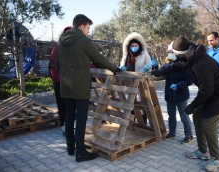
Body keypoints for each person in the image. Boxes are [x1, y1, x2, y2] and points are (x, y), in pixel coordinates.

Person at [151, 36, 219, 172]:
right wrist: (159, 72)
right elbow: (176, 66)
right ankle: (203, 152)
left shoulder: (200, 64)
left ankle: (215, 159)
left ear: (181, 53)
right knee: (197, 117)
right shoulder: (190, 57)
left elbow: (206, 90)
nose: (174, 56)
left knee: (208, 125)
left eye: (175, 53)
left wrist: (192, 105)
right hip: (212, 93)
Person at [56, 14, 122, 162]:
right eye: (88, 28)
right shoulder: (84, 41)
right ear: (81, 26)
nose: (88, 31)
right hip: (80, 86)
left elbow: (58, 66)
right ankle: (81, 152)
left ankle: (70, 147)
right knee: (80, 118)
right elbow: (99, 58)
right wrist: (115, 69)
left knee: (69, 116)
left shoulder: (60, 42)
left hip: (66, 86)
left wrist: (65, 79)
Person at [161, 42, 194, 144]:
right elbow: (160, 73)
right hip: (169, 94)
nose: (170, 53)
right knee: (171, 116)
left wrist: (178, 85)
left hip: (180, 95)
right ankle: (172, 133)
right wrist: (152, 69)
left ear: (177, 53)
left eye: (172, 52)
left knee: (184, 116)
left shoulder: (184, 64)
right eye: (169, 52)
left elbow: (190, 80)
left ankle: (189, 135)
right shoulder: (167, 64)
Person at [119, 32, 152, 124]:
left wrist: (147, 68)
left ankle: (143, 123)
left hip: (141, 81)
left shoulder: (144, 53)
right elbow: (122, 64)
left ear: (139, 45)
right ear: (129, 45)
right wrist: (122, 68)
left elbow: (149, 64)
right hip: (130, 81)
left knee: (142, 102)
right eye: (132, 45)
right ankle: (132, 122)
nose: (134, 46)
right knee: (131, 102)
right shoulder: (127, 54)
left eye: (136, 45)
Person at [49, 26, 72, 136]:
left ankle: (66, 126)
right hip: (62, 81)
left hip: (59, 80)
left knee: (64, 105)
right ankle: (66, 128)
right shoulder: (59, 48)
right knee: (66, 105)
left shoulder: (57, 47)